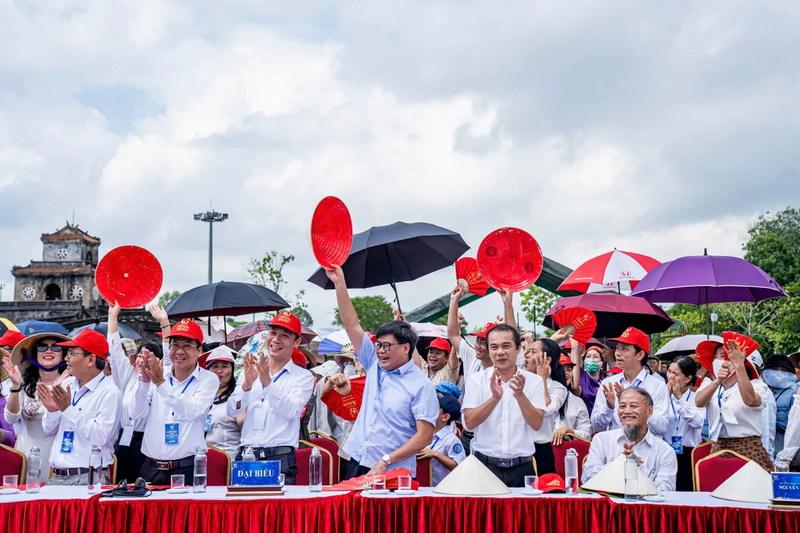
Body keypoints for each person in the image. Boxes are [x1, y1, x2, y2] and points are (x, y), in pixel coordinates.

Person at [327, 265, 439, 479]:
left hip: (394, 471)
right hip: (359, 460)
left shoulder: (421, 385)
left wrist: (387, 459)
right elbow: (352, 325)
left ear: (406, 348)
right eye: (378, 345)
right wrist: (340, 284)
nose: (380, 351)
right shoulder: (373, 363)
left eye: (386, 346)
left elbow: (425, 437)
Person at [227, 312, 314, 484]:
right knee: (243, 508)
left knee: (278, 510)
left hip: (279, 457)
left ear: (296, 342)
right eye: (273, 333)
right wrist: (247, 385)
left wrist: (267, 382)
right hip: (247, 456)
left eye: (284, 336)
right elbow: (232, 410)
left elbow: (291, 411)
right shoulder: (251, 371)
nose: (276, 340)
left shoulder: (303, 376)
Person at [131, 318, 218, 485]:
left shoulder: (208, 379)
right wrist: (144, 383)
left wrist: (161, 384)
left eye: (186, 345)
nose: (179, 351)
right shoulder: (157, 373)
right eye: (175, 345)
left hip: (187, 468)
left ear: (199, 350)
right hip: (151, 468)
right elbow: (136, 414)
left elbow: (191, 411)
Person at [463, 324, 546, 487]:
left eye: (506, 346)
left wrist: (521, 396)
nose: (500, 352)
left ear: (518, 349)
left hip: (522, 468)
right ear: (488, 350)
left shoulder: (534, 381)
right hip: (484, 466)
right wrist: (494, 398)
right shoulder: (477, 380)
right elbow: (469, 424)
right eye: (494, 347)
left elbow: (537, 424)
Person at [39, 329, 121, 485]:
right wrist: (52, 411)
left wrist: (69, 410)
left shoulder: (110, 392)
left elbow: (100, 437)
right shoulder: (67, 384)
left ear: (90, 360)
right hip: (57, 476)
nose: (67, 358)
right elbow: (48, 430)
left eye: (71, 354)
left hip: (88, 477)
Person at [695, 337, 773, 472]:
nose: (717, 360)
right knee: (716, 488)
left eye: (722, 356)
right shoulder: (711, 385)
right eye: (716, 356)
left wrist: (739, 366)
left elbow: (751, 400)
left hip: (747, 447)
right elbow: (699, 402)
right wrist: (718, 380)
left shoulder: (756, 384)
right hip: (718, 447)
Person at [107, 303, 164, 483]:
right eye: (140, 355)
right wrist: (113, 316)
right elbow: (115, 351)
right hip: (123, 438)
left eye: (149, 356)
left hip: (146, 440)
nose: (142, 360)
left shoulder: (160, 381)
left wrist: (164, 323)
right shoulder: (128, 375)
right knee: (119, 485)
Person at [582, 387, 678, 493]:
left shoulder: (665, 451)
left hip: (646, 508)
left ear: (649, 411)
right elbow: (587, 479)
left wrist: (635, 470)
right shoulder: (602, 440)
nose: (627, 411)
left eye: (634, 406)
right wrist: (617, 464)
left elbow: (665, 490)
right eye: (622, 406)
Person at [4, 333, 70, 469]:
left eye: (56, 347)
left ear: (64, 354)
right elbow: (10, 419)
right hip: (27, 452)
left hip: (58, 456)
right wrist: (15, 387)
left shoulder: (71, 384)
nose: (49, 351)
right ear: (35, 354)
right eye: (42, 347)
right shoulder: (24, 383)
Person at [591, 327, 670, 439]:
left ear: (640, 355)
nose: (618, 353)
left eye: (624, 349)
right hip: (616, 450)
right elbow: (596, 426)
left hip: (646, 451)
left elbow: (662, 427)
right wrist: (609, 407)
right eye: (617, 348)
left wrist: (635, 403)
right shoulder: (608, 384)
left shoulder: (658, 386)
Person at [523, 336, 568, 475]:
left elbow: (545, 409)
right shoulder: (519, 381)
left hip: (542, 451)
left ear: (547, 359)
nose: (527, 355)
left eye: (532, 351)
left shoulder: (558, 388)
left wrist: (541, 378)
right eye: (528, 351)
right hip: (519, 449)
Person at [665, 356, 706, 491]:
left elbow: (697, 421)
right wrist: (665, 397)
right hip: (665, 450)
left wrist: (679, 399)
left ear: (688, 378)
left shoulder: (697, 398)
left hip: (688, 454)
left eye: (675, 374)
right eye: (669, 371)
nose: (670, 377)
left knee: (684, 493)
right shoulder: (661, 397)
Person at [200, 347, 244, 458]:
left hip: (229, 460)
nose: (219, 371)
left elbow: (243, 422)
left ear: (233, 369)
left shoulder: (238, 397)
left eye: (224, 366)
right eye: (215, 366)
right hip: (202, 459)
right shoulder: (200, 397)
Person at [416, 387, 466, 485]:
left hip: (441, 490)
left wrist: (436, 454)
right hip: (421, 486)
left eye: (434, 408)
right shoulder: (422, 433)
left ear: (445, 417)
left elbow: (459, 466)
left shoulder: (450, 439)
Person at [762, 354, 798, 455]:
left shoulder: (794, 395)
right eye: (774, 369)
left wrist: (770, 420)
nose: (778, 373)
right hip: (759, 450)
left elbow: (794, 425)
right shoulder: (759, 391)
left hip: (781, 450)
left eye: (784, 370)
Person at [552, 354, 592, 445]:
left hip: (569, 453)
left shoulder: (578, 402)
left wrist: (569, 431)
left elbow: (587, 434)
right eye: (562, 369)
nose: (566, 373)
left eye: (569, 370)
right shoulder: (543, 397)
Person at [567, 342, 604, 417]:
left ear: (601, 362)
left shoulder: (605, 381)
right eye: (588, 356)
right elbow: (575, 388)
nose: (591, 359)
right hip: (582, 422)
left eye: (595, 357)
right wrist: (577, 351)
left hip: (600, 423)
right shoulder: (580, 376)